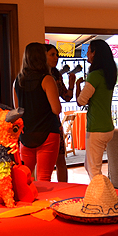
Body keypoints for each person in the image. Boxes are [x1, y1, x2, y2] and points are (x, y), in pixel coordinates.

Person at [13, 42, 62, 181]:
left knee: (25, 178)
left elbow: (17, 111)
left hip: (26, 134)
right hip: (47, 132)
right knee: (44, 177)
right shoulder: (47, 79)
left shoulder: (17, 81)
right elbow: (56, 109)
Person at [75, 39, 117, 179]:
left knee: (94, 170)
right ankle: (101, 190)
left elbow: (81, 101)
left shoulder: (95, 76)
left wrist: (77, 85)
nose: (87, 54)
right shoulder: (108, 74)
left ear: (94, 53)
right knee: (89, 166)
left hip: (96, 128)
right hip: (107, 127)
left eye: (88, 51)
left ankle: (101, 193)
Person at [46, 44, 75, 182]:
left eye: (56, 55)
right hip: (43, 122)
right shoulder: (40, 77)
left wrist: (72, 84)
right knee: (45, 164)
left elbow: (67, 97)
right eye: (52, 55)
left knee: (60, 159)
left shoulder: (56, 74)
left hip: (55, 121)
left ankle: (64, 189)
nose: (56, 58)